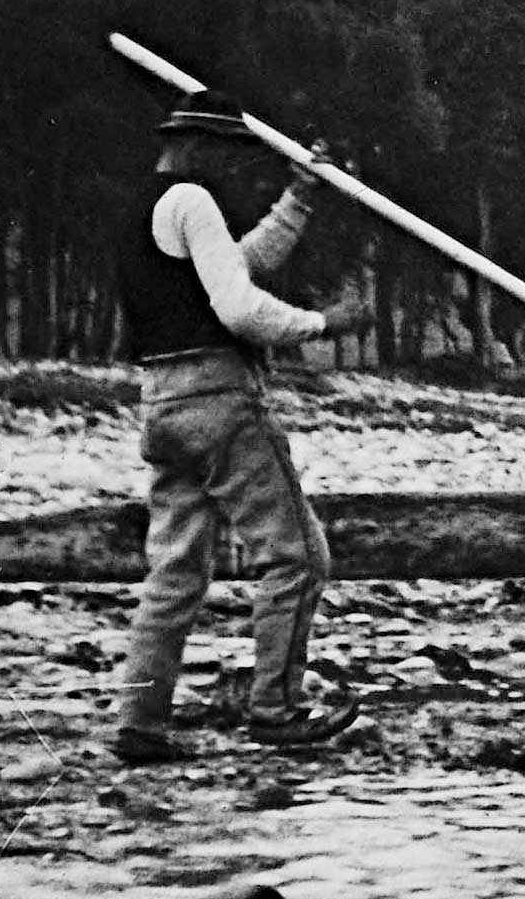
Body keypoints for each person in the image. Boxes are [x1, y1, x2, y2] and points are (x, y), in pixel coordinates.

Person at [109, 94, 365, 764]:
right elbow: (239, 307)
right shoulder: (192, 200)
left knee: (175, 571)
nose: (225, 171)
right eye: (221, 155)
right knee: (298, 557)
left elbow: (238, 263)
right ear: (197, 148)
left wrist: (300, 200)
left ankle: (139, 721)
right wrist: (324, 325)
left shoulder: (144, 209)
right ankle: (275, 708)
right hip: (220, 400)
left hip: (161, 405)